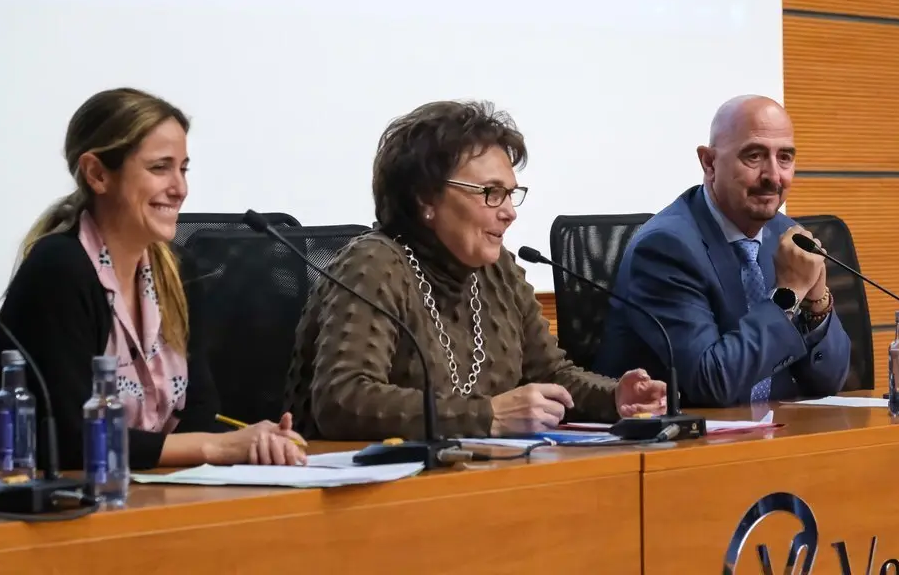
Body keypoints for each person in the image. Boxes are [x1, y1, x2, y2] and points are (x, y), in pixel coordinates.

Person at [0, 88, 305, 475]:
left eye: (183, 168)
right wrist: (214, 447)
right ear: (98, 174)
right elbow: (74, 440)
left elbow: (200, 411)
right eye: (160, 168)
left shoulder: (178, 271)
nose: (180, 188)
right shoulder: (59, 269)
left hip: (137, 491)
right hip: (20, 504)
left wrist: (250, 442)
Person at [282, 100, 667, 440]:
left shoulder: (499, 270)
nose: (510, 212)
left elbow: (549, 373)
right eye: (490, 192)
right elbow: (343, 399)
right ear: (425, 198)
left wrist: (615, 396)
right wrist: (488, 416)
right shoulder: (374, 266)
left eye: (511, 193)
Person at [595, 95, 851, 407]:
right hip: (688, 443)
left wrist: (816, 301)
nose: (774, 176)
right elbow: (711, 384)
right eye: (754, 156)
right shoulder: (666, 248)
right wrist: (789, 291)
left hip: (780, 434)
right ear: (709, 162)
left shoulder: (786, 237)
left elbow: (832, 380)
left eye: (785, 157)